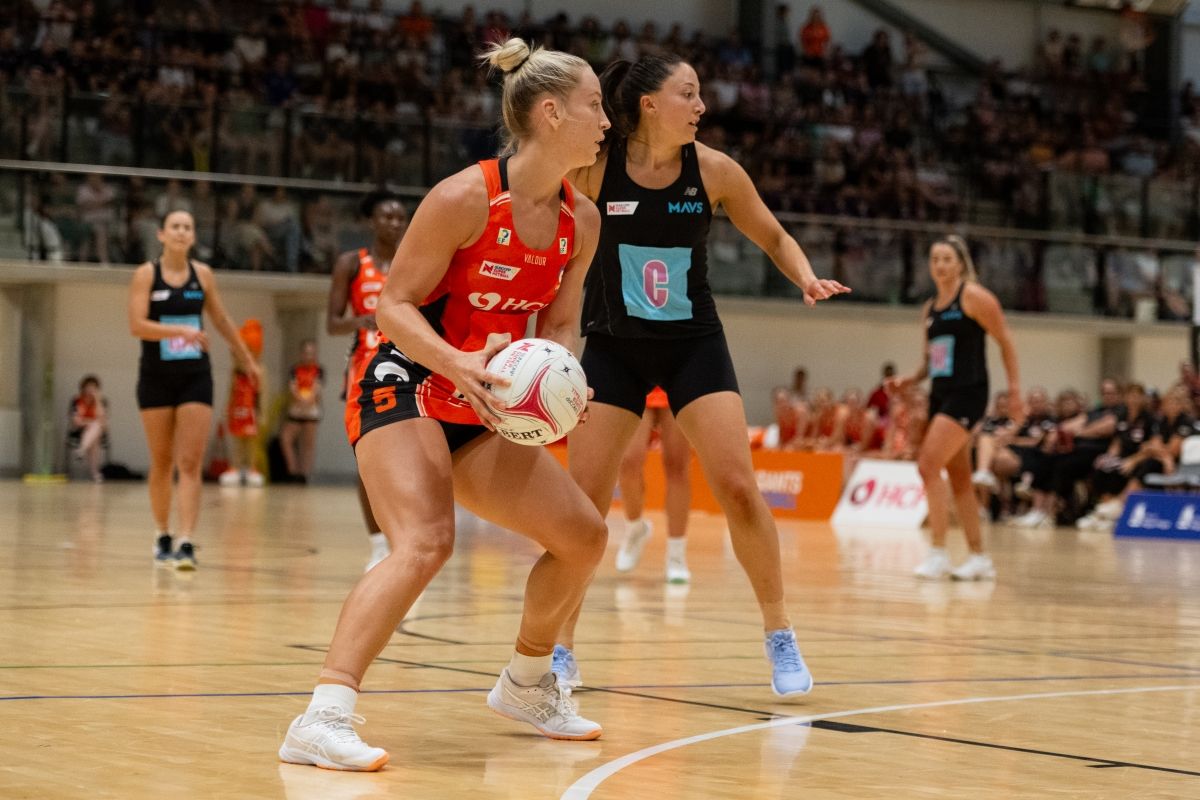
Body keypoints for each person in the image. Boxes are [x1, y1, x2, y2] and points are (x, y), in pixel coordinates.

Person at [278, 38, 611, 772]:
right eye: (595, 105)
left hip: (481, 403)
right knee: (427, 541)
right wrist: (459, 364)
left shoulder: (580, 220)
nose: (606, 121)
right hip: (403, 377)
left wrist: (563, 384)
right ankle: (321, 716)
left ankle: (527, 683)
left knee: (585, 538)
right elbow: (393, 307)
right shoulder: (466, 196)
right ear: (551, 113)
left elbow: (558, 325)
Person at [554, 51, 849, 698]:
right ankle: (560, 647)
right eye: (689, 94)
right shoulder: (591, 170)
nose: (702, 106)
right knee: (582, 507)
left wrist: (804, 276)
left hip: (693, 345)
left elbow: (772, 236)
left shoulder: (713, 171)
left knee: (740, 489)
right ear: (649, 105)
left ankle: (780, 636)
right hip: (613, 346)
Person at [127, 210, 261, 570]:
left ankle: (186, 540)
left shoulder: (202, 275)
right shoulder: (146, 274)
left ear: (192, 235)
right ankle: (162, 533)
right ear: (161, 234)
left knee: (189, 462)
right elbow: (137, 325)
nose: (182, 232)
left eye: (188, 226)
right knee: (161, 462)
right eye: (176, 226)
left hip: (194, 377)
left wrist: (246, 359)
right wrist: (180, 333)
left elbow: (221, 319)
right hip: (155, 377)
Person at [892, 236, 1022, 581]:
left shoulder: (975, 298)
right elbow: (930, 361)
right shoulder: (930, 308)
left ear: (960, 264)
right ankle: (979, 558)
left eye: (947, 259)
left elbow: (1006, 343)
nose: (940, 265)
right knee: (961, 480)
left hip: (968, 394)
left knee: (928, 464)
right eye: (935, 259)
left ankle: (937, 551)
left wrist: (1015, 393)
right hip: (941, 393)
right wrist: (911, 379)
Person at [326, 189, 409, 570]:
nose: (394, 223)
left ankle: (403, 535)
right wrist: (364, 319)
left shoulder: (414, 260)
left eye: (399, 217)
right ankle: (377, 541)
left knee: (409, 459)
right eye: (386, 217)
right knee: (368, 456)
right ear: (371, 222)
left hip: (409, 364)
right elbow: (332, 323)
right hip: (364, 365)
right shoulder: (351, 263)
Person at [611, 387, 692, 583]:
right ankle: (635, 529)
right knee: (628, 461)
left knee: (677, 465)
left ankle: (676, 555)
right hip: (639, 376)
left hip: (676, 376)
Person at [219, 320, 266, 488]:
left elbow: (261, 395)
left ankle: (252, 468)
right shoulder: (235, 373)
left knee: (251, 443)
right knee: (237, 441)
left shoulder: (259, 372)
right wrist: (228, 408)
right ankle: (236, 467)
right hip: (238, 412)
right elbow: (231, 393)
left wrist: (262, 412)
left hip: (252, 413)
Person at [279, 339, 325, 484]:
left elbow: (317, 390)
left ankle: (304, 475)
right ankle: (293, 471)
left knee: (308, 444)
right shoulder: (295, 370)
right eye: (306, 352)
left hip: (311, 412)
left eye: (311, 353)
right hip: (296, 411)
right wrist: (300, 398)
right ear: (301, 353)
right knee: (286, 438)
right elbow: (292, 388)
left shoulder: (319, 371)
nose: (308, 356)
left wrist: (309, 399)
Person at [69, 374, 108, 482]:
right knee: (95, 433)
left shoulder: (101, 401)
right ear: (83, 387)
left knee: (96, 429)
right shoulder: (77, 401)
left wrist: (97, 400)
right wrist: (90, 423)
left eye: (93, 387)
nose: (90, 389)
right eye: (88, 386)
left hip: (97, 430)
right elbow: (76, 421)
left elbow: (102, 420)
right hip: (80, 431)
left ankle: (81, 449)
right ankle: (95, 473)